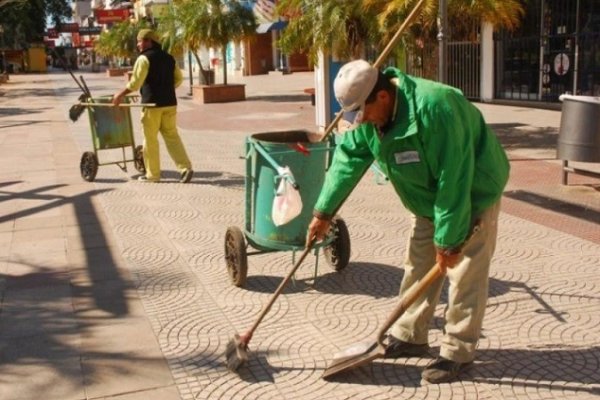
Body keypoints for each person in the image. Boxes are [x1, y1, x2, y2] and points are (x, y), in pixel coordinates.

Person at [307, 59, 509, 383]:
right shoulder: (372, 119)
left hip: (472, 191)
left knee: (464, 273)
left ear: (383, 98)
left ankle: (458, 351)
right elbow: (349, 157)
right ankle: (410, 335)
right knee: (418, 263)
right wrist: (323, 213)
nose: (360, 120)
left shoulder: (437, 108)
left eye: (362, 111)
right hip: (427, 197)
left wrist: (448, 243)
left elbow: (453, 181)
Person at [113, 29, 193, 183]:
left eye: (140, 41)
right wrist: (165, 89)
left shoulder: (144, 59)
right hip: (170, 104)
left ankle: (153, 175)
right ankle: (185, 168)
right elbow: (179, 79)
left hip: (152, 105)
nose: (138, 44)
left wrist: (120, 94)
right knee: (172, 136)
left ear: (149, 41)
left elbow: (135, 83)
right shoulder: (169, 58)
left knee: (150, 140)